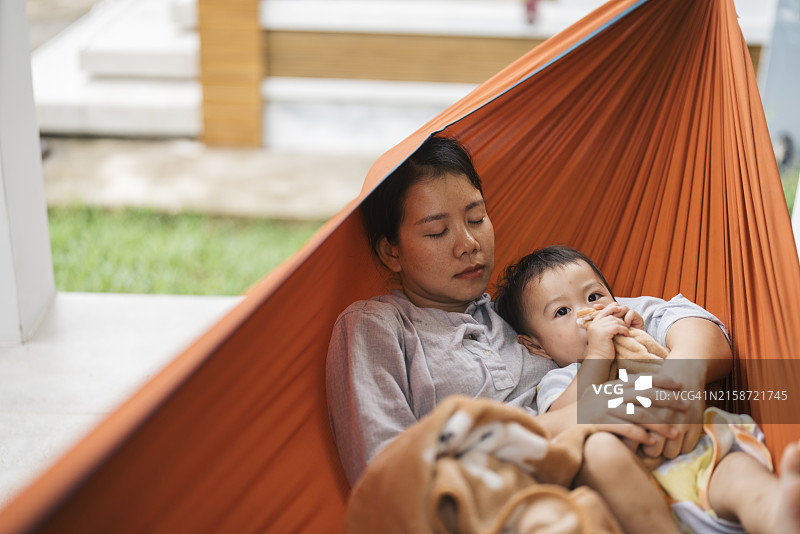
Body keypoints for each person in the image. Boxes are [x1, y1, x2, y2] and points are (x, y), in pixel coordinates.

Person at [325, 134, 732, 490]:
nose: (468, 243)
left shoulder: (527, 308)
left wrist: (671, 387)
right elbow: (386, 478)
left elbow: (684, 321)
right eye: (437, 231)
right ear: (390, 250)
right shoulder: (377, 328)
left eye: (476, 217)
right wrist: (577, 420)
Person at [493, 244, 800, 534]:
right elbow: (566, 420)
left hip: (702, 455)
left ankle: (779, 514)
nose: (589, 313)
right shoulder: (561, 379)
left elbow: (702, 354)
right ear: (537, 346)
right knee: (599, 453)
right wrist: (598, 356)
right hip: (639, 491)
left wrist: (643, 342)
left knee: (742, 477)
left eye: (594, 296)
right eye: (561, 312)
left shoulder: (644, 335)